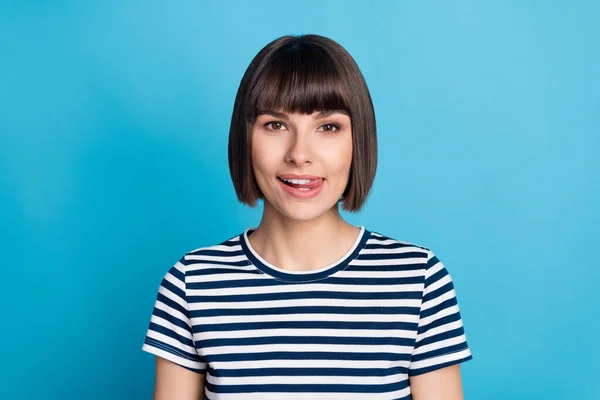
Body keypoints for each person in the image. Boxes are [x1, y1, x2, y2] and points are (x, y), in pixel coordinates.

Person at [141, 34, 473, 400]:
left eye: (328, 127)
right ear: (244, 138)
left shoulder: (418, 280)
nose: (300, 154)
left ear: (357, 140)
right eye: (275, 125)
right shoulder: (191, 283)